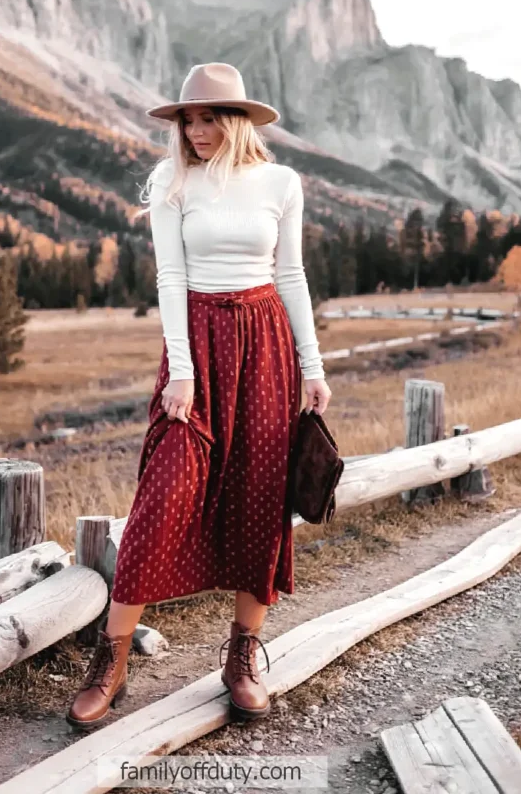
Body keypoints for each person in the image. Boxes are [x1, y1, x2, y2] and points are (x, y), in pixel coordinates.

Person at [66, 62, 332, 732]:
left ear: (237, 120)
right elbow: (170, 277)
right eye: (188, 118)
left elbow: (291, 273)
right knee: (164, 493)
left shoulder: (280, 182)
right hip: (197, 347)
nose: (197, 130)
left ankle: (241, 658)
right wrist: (180, 371)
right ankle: (111, 660)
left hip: (266, 341)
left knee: (261, 494)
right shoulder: (170, 180)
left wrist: (312, 364)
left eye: (209, 118)